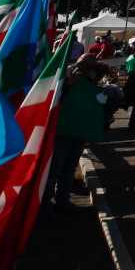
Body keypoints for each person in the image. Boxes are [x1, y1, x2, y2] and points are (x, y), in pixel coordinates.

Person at [46, 58, 108, 209]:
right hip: (70, 133)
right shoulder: (69, 84)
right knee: (62, 169)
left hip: (66, 133)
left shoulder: (69, 83)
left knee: (60, 169)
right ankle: (55, 202)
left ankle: (54, 201)